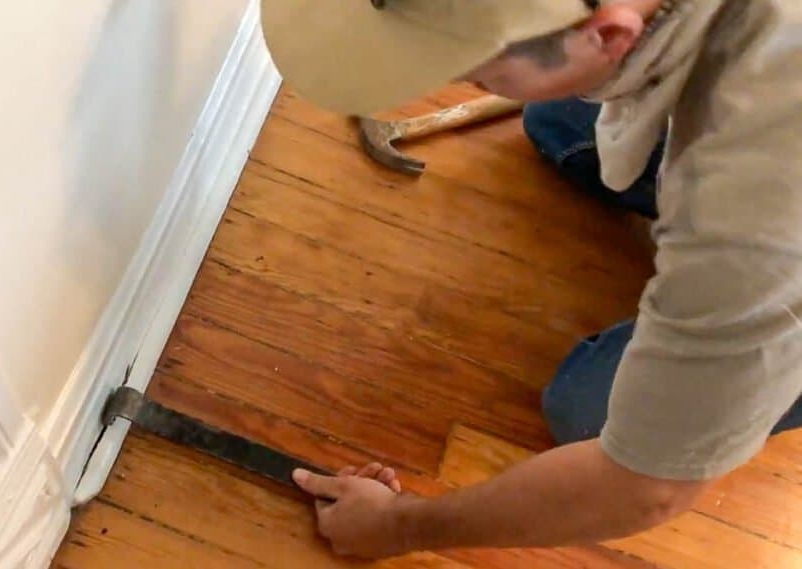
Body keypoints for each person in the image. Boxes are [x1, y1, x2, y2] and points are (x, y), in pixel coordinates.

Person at [260, 0, 802, 558]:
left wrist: (402, 525)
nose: (467, 81)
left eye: (475, 75)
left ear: (609, 34)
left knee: (589, 415)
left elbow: (646, 489)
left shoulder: (747, 208)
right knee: (557, 119)